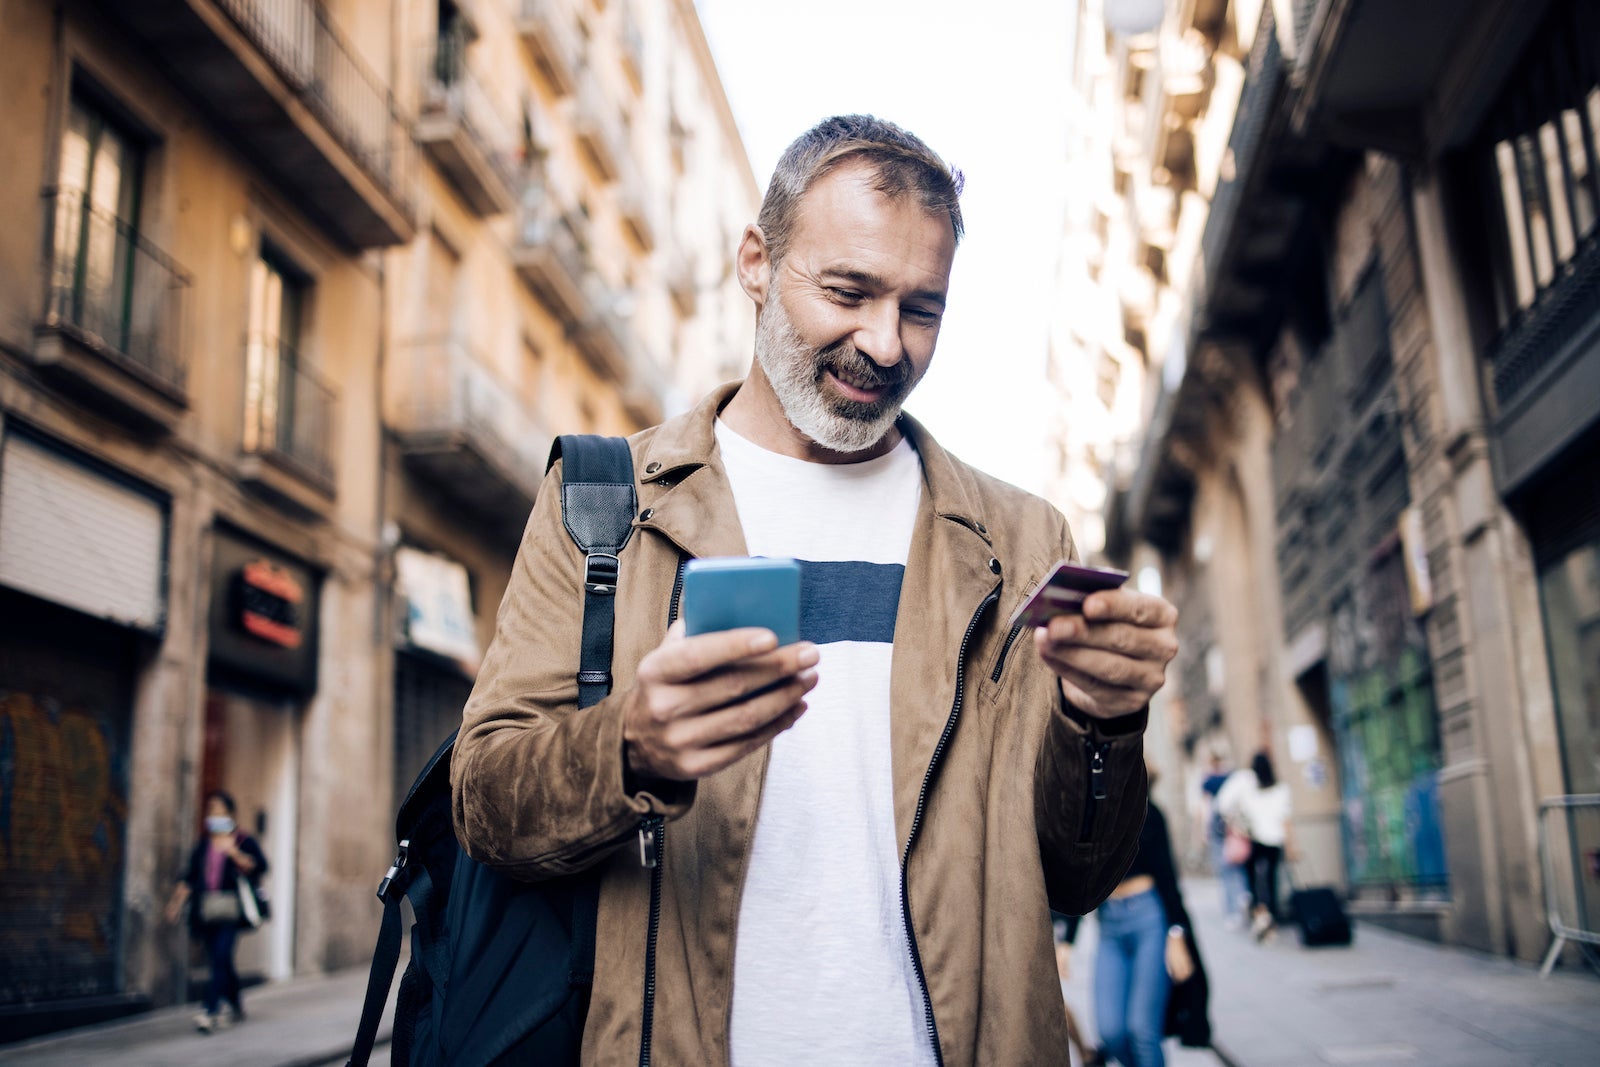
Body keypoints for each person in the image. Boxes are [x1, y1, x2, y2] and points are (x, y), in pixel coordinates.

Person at [453, 115, 1180, 1064]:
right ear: (756, 261)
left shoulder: (1021, 540)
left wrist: (1104, 722)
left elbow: (1079, 874)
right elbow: (484, 801)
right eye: (848, 291)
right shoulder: (606, 505)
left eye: (922, 310)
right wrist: (630, 747)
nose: (884, 344)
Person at [1058, 767, 1209, 1067]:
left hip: (1149, 919)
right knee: (1112, 1033)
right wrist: (1068, 940)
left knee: (1142, 1031)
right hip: (1110, 924)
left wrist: (1176, 934)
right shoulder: (1088, 818)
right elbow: (1081, 879)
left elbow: (1169, 881)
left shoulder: (1149, 814)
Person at [165, 789, 268, 1033]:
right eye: (212, 811)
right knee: (221, 961)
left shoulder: (243, 840)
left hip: (231, 912)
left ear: (231, 815)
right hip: (207, 911)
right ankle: (234, 1003)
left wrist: (233, 853)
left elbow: (260, 867)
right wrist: (175, 904)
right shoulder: (203, 845)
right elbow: (189, 877)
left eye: (220, 811)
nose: (215, 815)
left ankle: (210, 1011)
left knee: (220, 958)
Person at [1218, 750, 1293, 941]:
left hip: (1254, 838)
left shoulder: (1247, 785)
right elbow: (1286, 819)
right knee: (1271, 879)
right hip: (1275, 840)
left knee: (1252, 879)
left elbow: (1223, 804)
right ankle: (1271, 915)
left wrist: (1235, 824)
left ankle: (1257, 913)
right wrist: (1292, 845)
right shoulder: (1280, 788)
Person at [1197, 750, 1247, 925]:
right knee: (1238, 867)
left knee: (1224, 872)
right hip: (1234, 830)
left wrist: (1203, 832)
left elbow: (1205, 808)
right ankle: (1243, 895)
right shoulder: (1232, 778)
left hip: (1217, 830)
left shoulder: (1208, 781)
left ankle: (1232, 912)